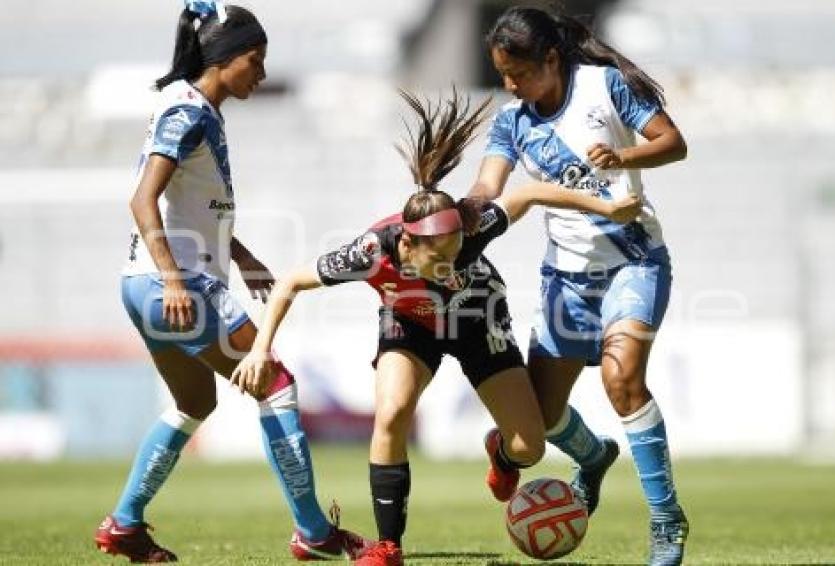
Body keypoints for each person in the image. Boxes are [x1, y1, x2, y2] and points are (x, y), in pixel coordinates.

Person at [231, 88, 641, 566]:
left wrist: (607, 208)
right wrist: (261, 350)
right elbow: (290, 283)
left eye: (456, 251)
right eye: (438, 255)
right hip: (410, 325)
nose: (450, 263)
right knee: (392, 413)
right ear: (407, 243)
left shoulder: (470, 225)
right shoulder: (370, 252)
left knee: (528, 448)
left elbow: (528, 194)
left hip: (478, 320)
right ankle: (388, 547)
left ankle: (502, 454)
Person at [94, 2, 369, 562]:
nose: (261, 73)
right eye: (255, 59)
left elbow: (190, 206)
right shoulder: (187, 110)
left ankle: (124, 523)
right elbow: (142, 199)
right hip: (173, 284)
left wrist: (239, 254)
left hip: (145, 285)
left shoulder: (198, 109)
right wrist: (174, 280)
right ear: (222, 57)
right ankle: (314, 532)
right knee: (276, 381)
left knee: (195, 401)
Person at [468, 6, 690, 566]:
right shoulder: (513, 121)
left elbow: (673, 142)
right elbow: (487, 186)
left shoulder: (603, 86)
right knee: (540, 421)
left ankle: (666, 520)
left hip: (634, 260)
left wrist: (625, 154)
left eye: (518, 73)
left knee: (622, 380)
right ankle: (592, 458)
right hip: (566, 277)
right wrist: (456, 212)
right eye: (502, 75)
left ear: (551, 58)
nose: (511, 85)